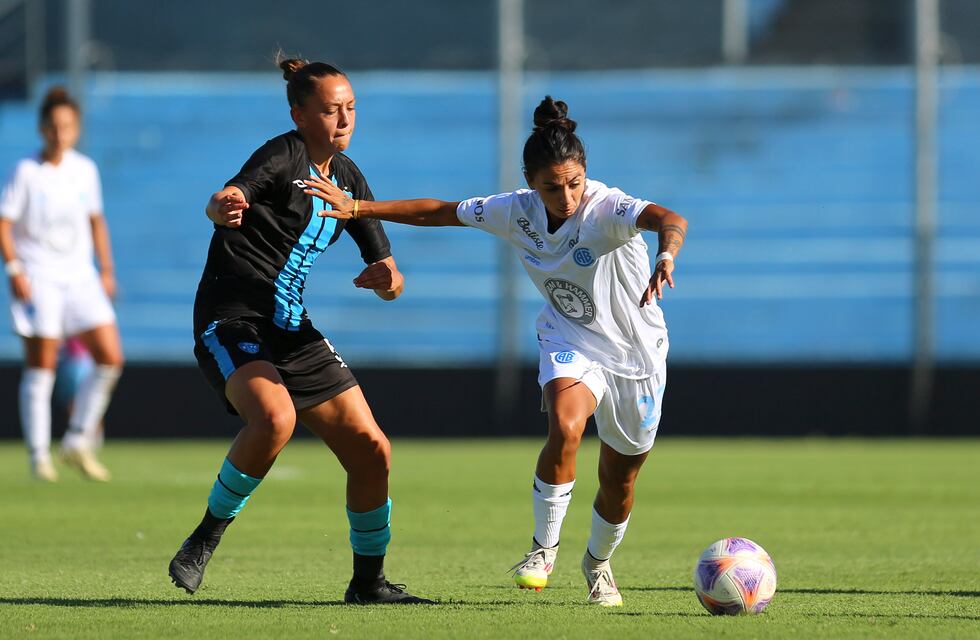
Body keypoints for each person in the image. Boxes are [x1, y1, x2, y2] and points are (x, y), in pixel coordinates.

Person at [307, 96, 688, 607]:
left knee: (619, 481)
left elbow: (669, 216)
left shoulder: (605, 209)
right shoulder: (516, 211)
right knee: (566, 425)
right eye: (553, 187)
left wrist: (666, 254)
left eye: (574, 182)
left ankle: (597, 565)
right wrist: (358, 208)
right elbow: (440, 211)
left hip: (638, 354)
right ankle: (542, 549)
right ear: (531, 181)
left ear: (585, 176)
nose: (567, 196)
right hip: (570, 338)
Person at [167, 56, 433, 605]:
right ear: (300, 114)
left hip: (290, 326)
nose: (344, 119)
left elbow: (392, 276)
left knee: (372, 450)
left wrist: (388, 279)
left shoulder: (350, 179)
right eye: (331, 109)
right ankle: (204, 538)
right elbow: (230, 195)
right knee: (275, 418)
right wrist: (222, 206)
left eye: (351, 107)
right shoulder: (283, 154)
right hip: (233, 316)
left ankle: (367, 583)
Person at [0, 86, 123, 482]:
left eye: (67, 127)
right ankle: (39, 455)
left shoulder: (85, 170)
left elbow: (96, 221)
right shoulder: (26, 171)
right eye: (53, 127)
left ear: (76, 128)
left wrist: (105, 269)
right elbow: (4, 223)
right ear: (42, 128)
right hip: (39, 277)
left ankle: (76, 440)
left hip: (79, 276)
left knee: (110, 357)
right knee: (42, 368)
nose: (59, 134)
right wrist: (15, 269)